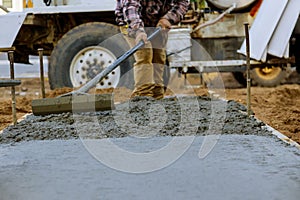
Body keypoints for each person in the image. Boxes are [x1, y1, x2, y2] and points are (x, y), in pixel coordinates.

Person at [115, 0, 190, 99]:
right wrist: (138, 31)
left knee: (158, 57)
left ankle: (157, 95)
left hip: (156, 23)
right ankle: (142, 96)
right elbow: (131, 7)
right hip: (131, 23)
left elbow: (183, 3)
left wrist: (169, 18)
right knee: (145, 54)